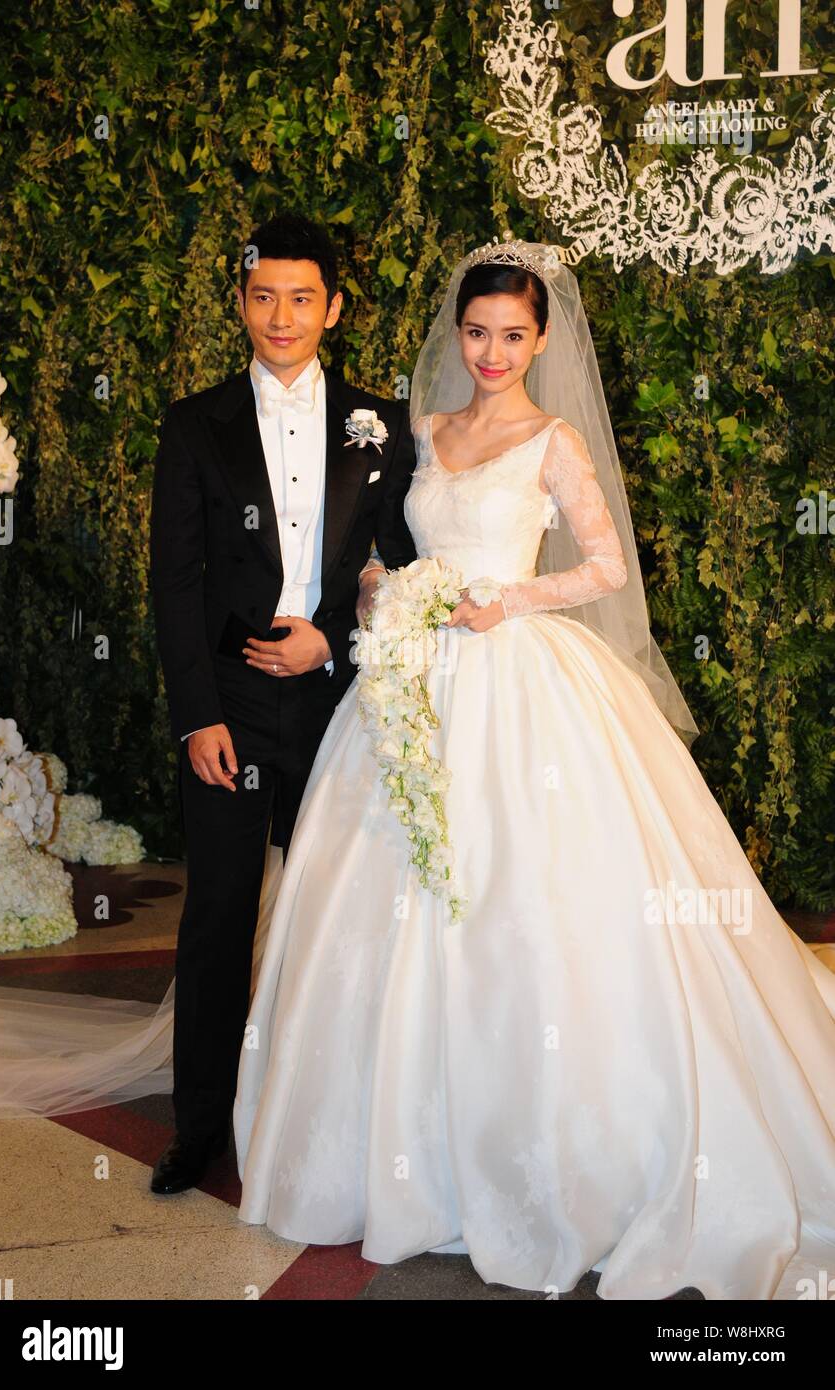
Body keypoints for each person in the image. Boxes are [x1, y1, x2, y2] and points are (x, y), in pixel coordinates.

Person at [231, 233, 835, 1300]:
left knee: (535, 904)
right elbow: (386, 547)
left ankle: (558, 1161)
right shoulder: (418, 431)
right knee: (383, 904)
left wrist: (506, 599)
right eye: (475, 332)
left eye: (512, 334)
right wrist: (380, 584)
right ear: (453, 334)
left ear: (541, 336)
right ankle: (390, 1151)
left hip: (521, 679)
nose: (492, 351)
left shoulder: (554, 442)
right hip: (412, 683)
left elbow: (604, 565)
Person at [146, 211, 416, 1194]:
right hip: (226, 703)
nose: (281, 315)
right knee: (217, 912)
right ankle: (198, 1127)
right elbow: (173, 581)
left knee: (336, 914)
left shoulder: (380, 425)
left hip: (335, 703)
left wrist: (332, 640)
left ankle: (330, 1115)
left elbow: (404, 568)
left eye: (302, 298)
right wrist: (195, 714)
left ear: (332, 308)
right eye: (263, 295)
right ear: (239, 300)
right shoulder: (195, 422)